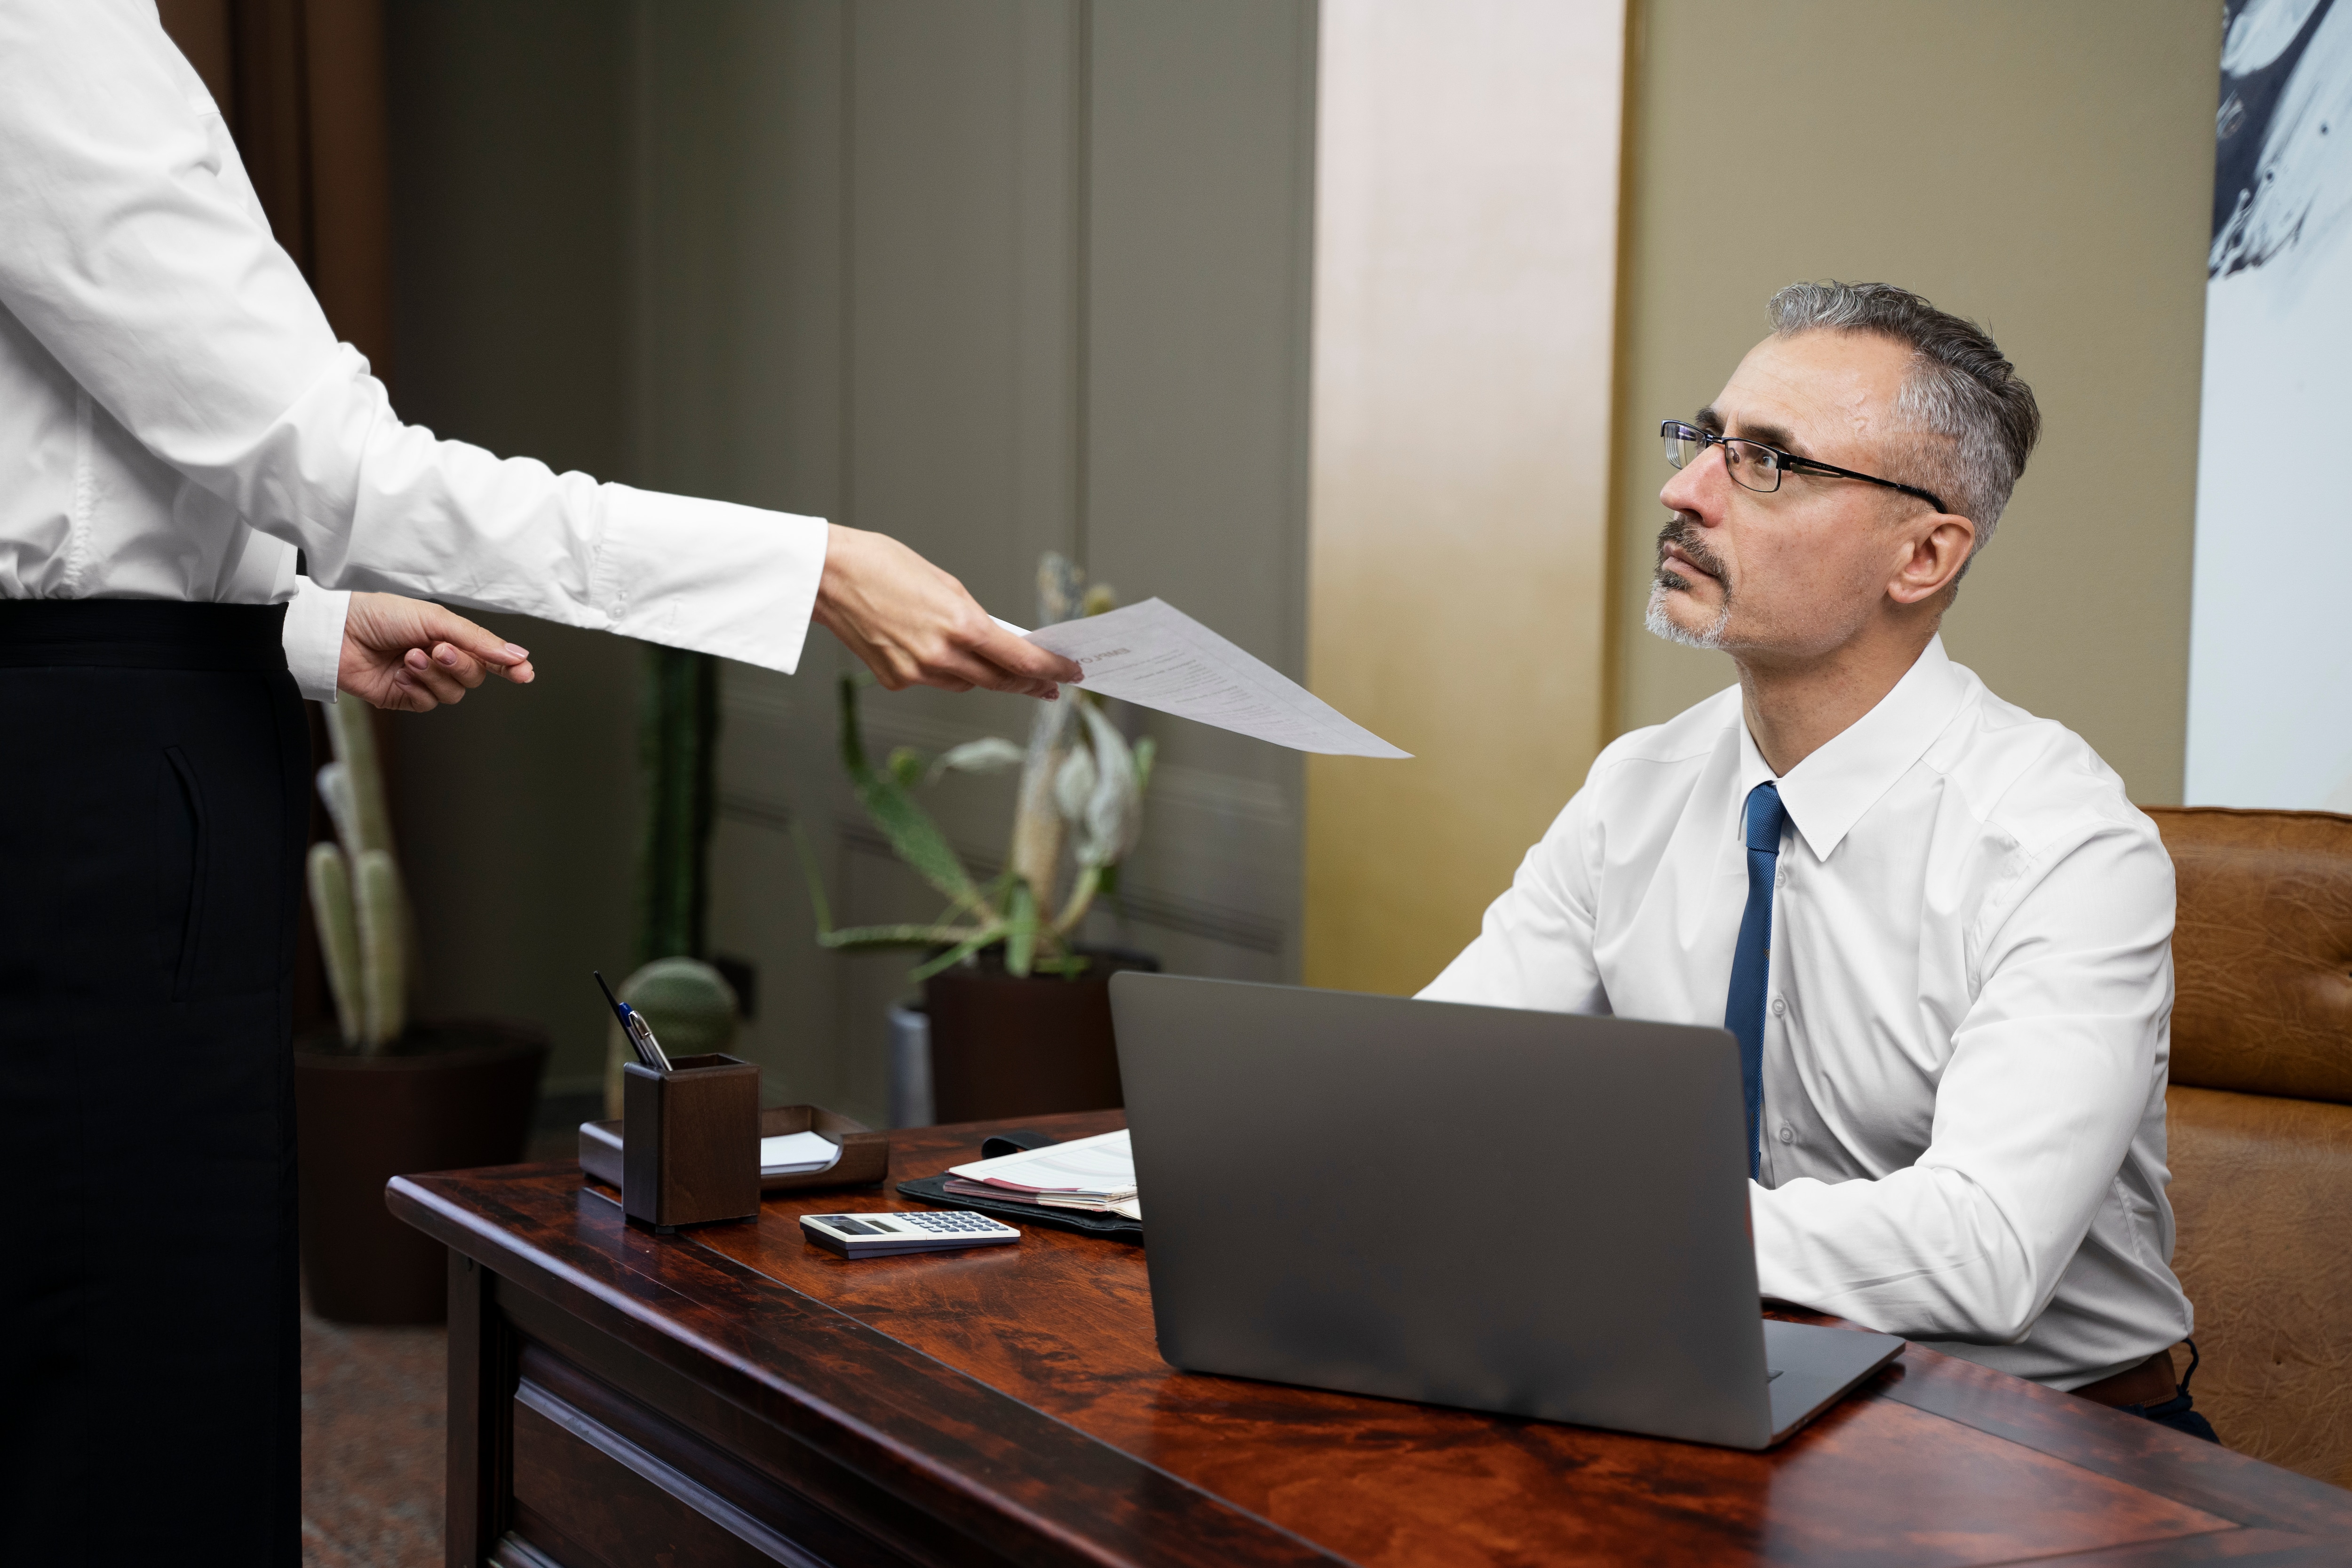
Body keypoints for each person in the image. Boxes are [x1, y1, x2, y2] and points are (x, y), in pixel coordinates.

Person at [0, 4, 1080, 1563]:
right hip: (90, 800)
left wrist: (298, 627)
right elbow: (350, 473)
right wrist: (811, 565)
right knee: (132, 1405)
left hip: (92, 744)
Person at [1421, 281, 2217, 1442]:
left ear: (1924, 553)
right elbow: (1441, 1081)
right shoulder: (1635, 787)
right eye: (1705, 440)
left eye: (1768, 462)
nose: (1683, 490)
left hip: (2044, 1439)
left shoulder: (2062, 844)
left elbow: (1986, 1250)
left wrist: (1621, 1222)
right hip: (1717, 1387)